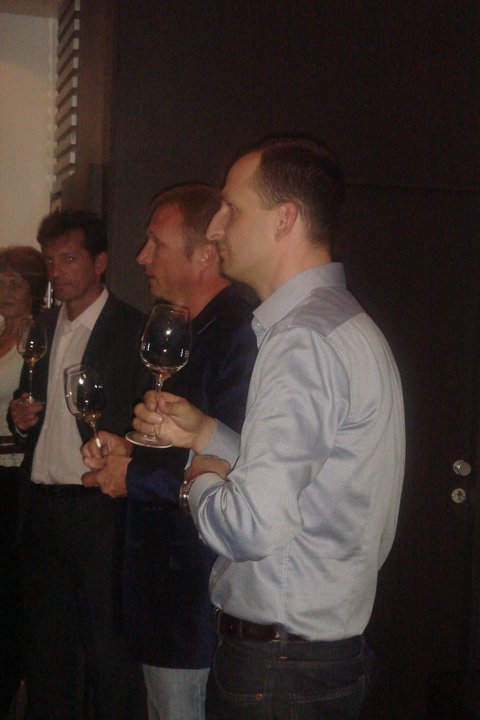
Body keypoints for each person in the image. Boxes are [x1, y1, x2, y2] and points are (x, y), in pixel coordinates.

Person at [132, 137, 406, 719]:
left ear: (285, 219)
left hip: (279, 669)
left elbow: (252, 527)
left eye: (231, 209)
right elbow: (311, 481)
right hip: (310, 658)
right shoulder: (338, 323)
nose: (215, 229)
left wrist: (197, 480)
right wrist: (207, 433)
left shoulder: (302, 340)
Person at [80, 184, 257, 720]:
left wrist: (131, 478)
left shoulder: (236, 334)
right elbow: (177, 440)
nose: (141, 257)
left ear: (204, 254)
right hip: (162, 592)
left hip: (194, 597)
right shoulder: (184, 327)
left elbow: (234, 464)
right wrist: (128, 450)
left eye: (156, 243)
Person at [9, 210, 147, 720]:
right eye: (51, 261)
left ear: (100, 262)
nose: (56, 271)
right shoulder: (43, 327)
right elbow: (28, 412)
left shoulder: (131, 329)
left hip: (98, 512)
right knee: (47, 655)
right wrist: (20, 418)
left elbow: (148, 424)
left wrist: (126, 448)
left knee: (109, 655)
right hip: (41, 509)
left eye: (68, 259)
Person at [0, 246, 47, 716]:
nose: (5, 292)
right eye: (0, 283)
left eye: (15, 283)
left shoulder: (37, 340)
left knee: (11, 590)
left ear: (34, 289)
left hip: (13, 479)